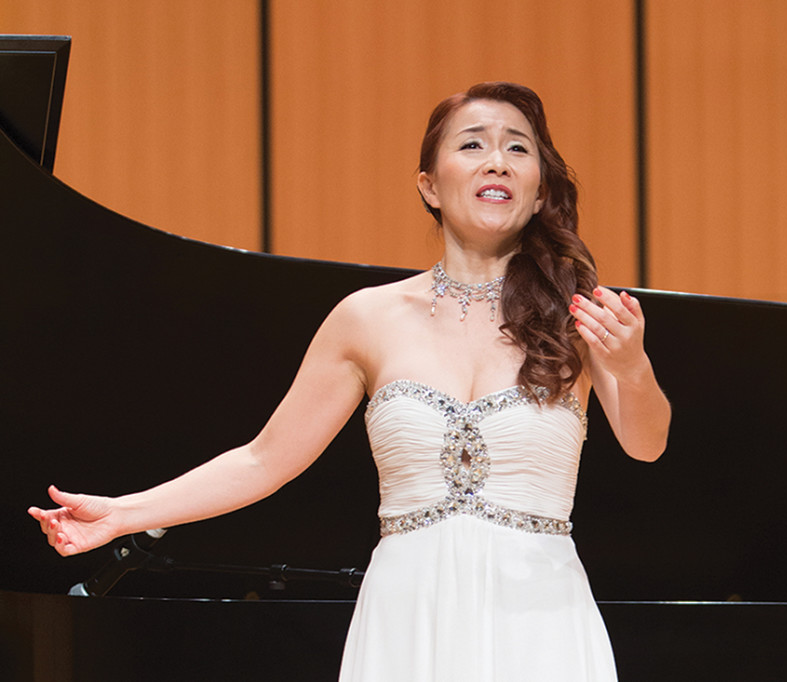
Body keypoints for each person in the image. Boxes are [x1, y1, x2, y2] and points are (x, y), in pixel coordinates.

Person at [28, 81, 671, 681]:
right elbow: (262, 460)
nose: (496, 161)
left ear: (536, 190)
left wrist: (630, 364)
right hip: (405, 609)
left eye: (517, 148)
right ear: (429, 185)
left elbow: (648, 445)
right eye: (472, 144)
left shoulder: (579, 314)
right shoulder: (366, 317)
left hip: (542, 612)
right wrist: (122, 515)